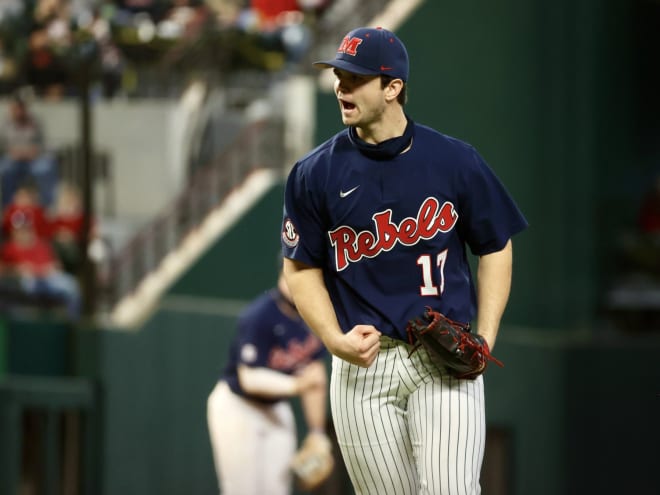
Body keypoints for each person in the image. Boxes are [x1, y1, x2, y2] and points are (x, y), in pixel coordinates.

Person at [280, 26, 528, 495]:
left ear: (393, 88)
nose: (341, 87)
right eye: (338, 75)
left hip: (443, 359)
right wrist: (333, 340)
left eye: (355, 78)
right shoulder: (314, 174)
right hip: (363, 367)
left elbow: (496, 245)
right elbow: (301, 266)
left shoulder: (454, 160)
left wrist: (486, 337)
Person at [206, 269, 332, 495]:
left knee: (277, 489)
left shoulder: (314, 317)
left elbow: (315, 377)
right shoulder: (260, 315)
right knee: (242, 490)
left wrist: (316, 432)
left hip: (276, 408)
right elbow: (250, 379)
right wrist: (297, 385)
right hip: (237, 406)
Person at [0, 94, 59, 209]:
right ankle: (7, 207)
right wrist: (13, 153)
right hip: (12, 160)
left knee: (46, 168)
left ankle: (46, 207)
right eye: (16, 108)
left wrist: (35, 152)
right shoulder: (4, 124)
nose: (19, 112)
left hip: (33, 160)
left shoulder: (36, 122)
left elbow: (44, 144)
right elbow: (3, 147)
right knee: (5, 169)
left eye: (22, 108)